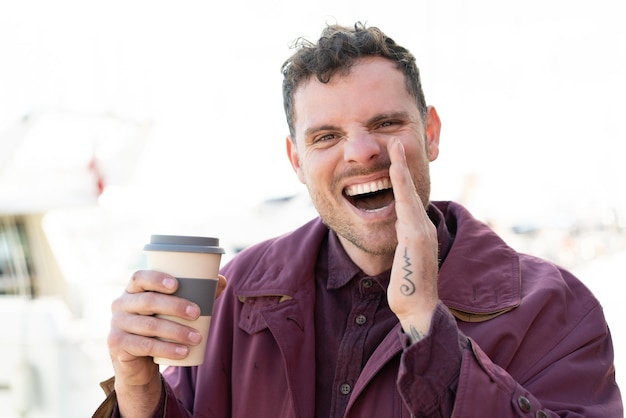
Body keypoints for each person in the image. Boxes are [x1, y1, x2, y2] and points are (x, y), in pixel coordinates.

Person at [94, 22, 622, 417]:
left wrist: (424, 326)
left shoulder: (556, 308)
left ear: (430, 133)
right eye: (326, 136)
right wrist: (138, 390)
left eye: (386, 123)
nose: (362, 152)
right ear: (296, 160)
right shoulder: (236, 292)